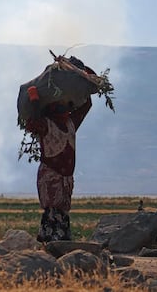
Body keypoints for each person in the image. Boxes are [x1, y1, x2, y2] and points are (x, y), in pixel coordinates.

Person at [24, 90, 92, 242]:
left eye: (65, 102)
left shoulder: (71, 123)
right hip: (50, 176)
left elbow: (87, 104)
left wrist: (84, 78)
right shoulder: (45, 124)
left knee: (62, 212)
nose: (63, 105)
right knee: (52, 211)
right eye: (59, 102)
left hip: (66, 179)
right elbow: (34, 121)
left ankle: (60, 245)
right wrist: (35, 99)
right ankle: (51, 245)